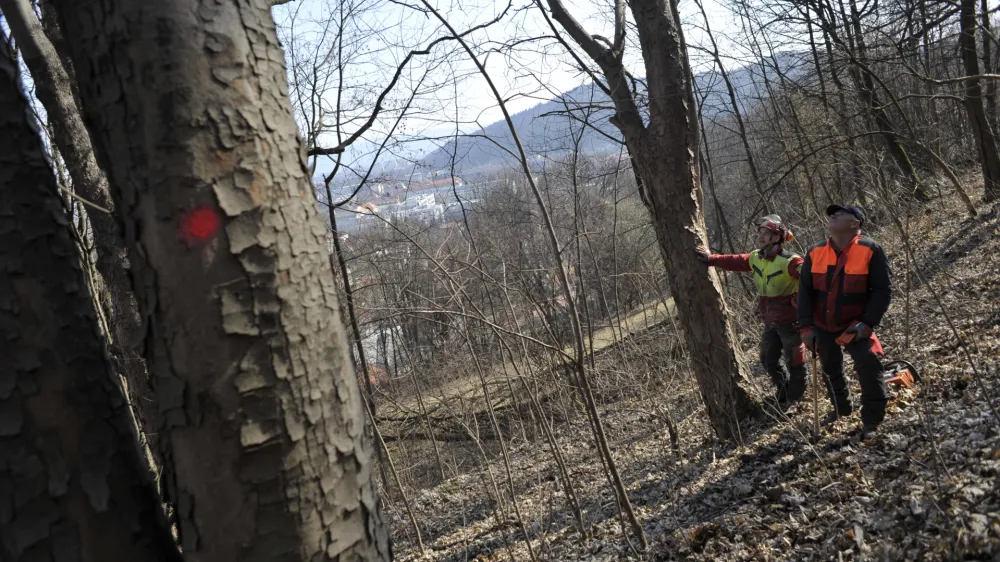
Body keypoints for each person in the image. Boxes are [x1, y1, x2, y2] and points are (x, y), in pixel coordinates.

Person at [797, 204, 892, 440]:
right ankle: (842, 407)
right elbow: (805, 292)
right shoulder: (815, 251)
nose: (833, 216)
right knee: (830, 369)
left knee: (869, 363)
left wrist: (868, 322)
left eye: (840, 213)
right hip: (822, 324)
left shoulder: (871, 249)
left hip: (855, 323)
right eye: (831, 214)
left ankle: (872, 419)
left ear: (855, 223)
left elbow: (882, 290)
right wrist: (806, 326)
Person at [696, 215, 807, 409]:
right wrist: (710, 258)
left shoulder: (790, 261)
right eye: (760, 232)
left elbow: (813, 279)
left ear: (777, 237)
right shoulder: (756, 257)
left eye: (767, 233)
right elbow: (736, 261)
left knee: (795, 360)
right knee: (767, 358)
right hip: (770, 319)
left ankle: (795, 398)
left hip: (791, 320)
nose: (761, 236)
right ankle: (783, 391)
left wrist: (809, 312)